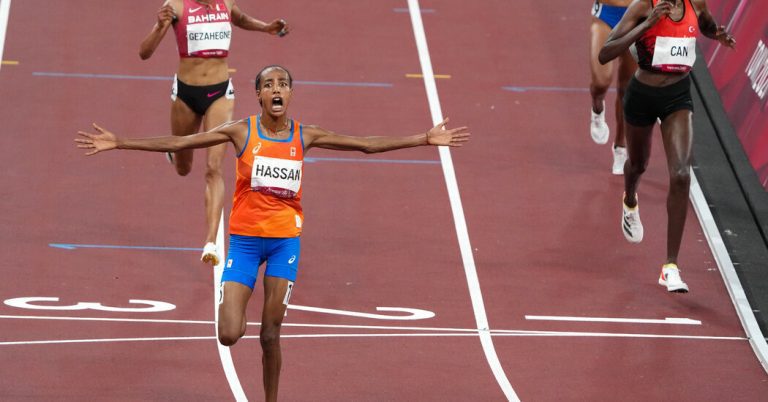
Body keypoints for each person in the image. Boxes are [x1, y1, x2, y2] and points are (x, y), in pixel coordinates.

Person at [76, 65, 470, 401]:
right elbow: (182, 141)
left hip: (285, 243)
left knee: (269, 334)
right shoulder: (241, 133)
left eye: (283, 84)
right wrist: (121, 142)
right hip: (245, 243)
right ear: (259, 96)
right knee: (230, 333)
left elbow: (365, 145)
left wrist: (423, 138)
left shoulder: (306, 135)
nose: (276, 89)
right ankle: (231, 297)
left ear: (291, 94)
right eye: (268, 85)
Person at [139, 0, 289, 266]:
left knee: (214, 167)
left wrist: (266, 27)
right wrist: (160, 26)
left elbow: (239, 19)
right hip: (186, 94)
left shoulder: (226, 2)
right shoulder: (176, 6)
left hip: (220, 94)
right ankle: (176, 153)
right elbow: (144, 52)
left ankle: (210, 242)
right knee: (184, 168)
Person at [599, 0, 735, 292]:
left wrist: (717, 35)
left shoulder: (695, 4)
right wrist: (645, 26)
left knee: (682, 173)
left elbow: (707, 25)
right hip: (641, 96)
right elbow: (605, 53)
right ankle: (630, 200)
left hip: (678, 96)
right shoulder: (642, 7)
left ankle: (670, 266)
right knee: (638, 164)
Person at [589, 0, 637, 174]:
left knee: (627, 88)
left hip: (636, 17)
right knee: (601, 82)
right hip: (606, 14)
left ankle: (620, 146)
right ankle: (597, 107)